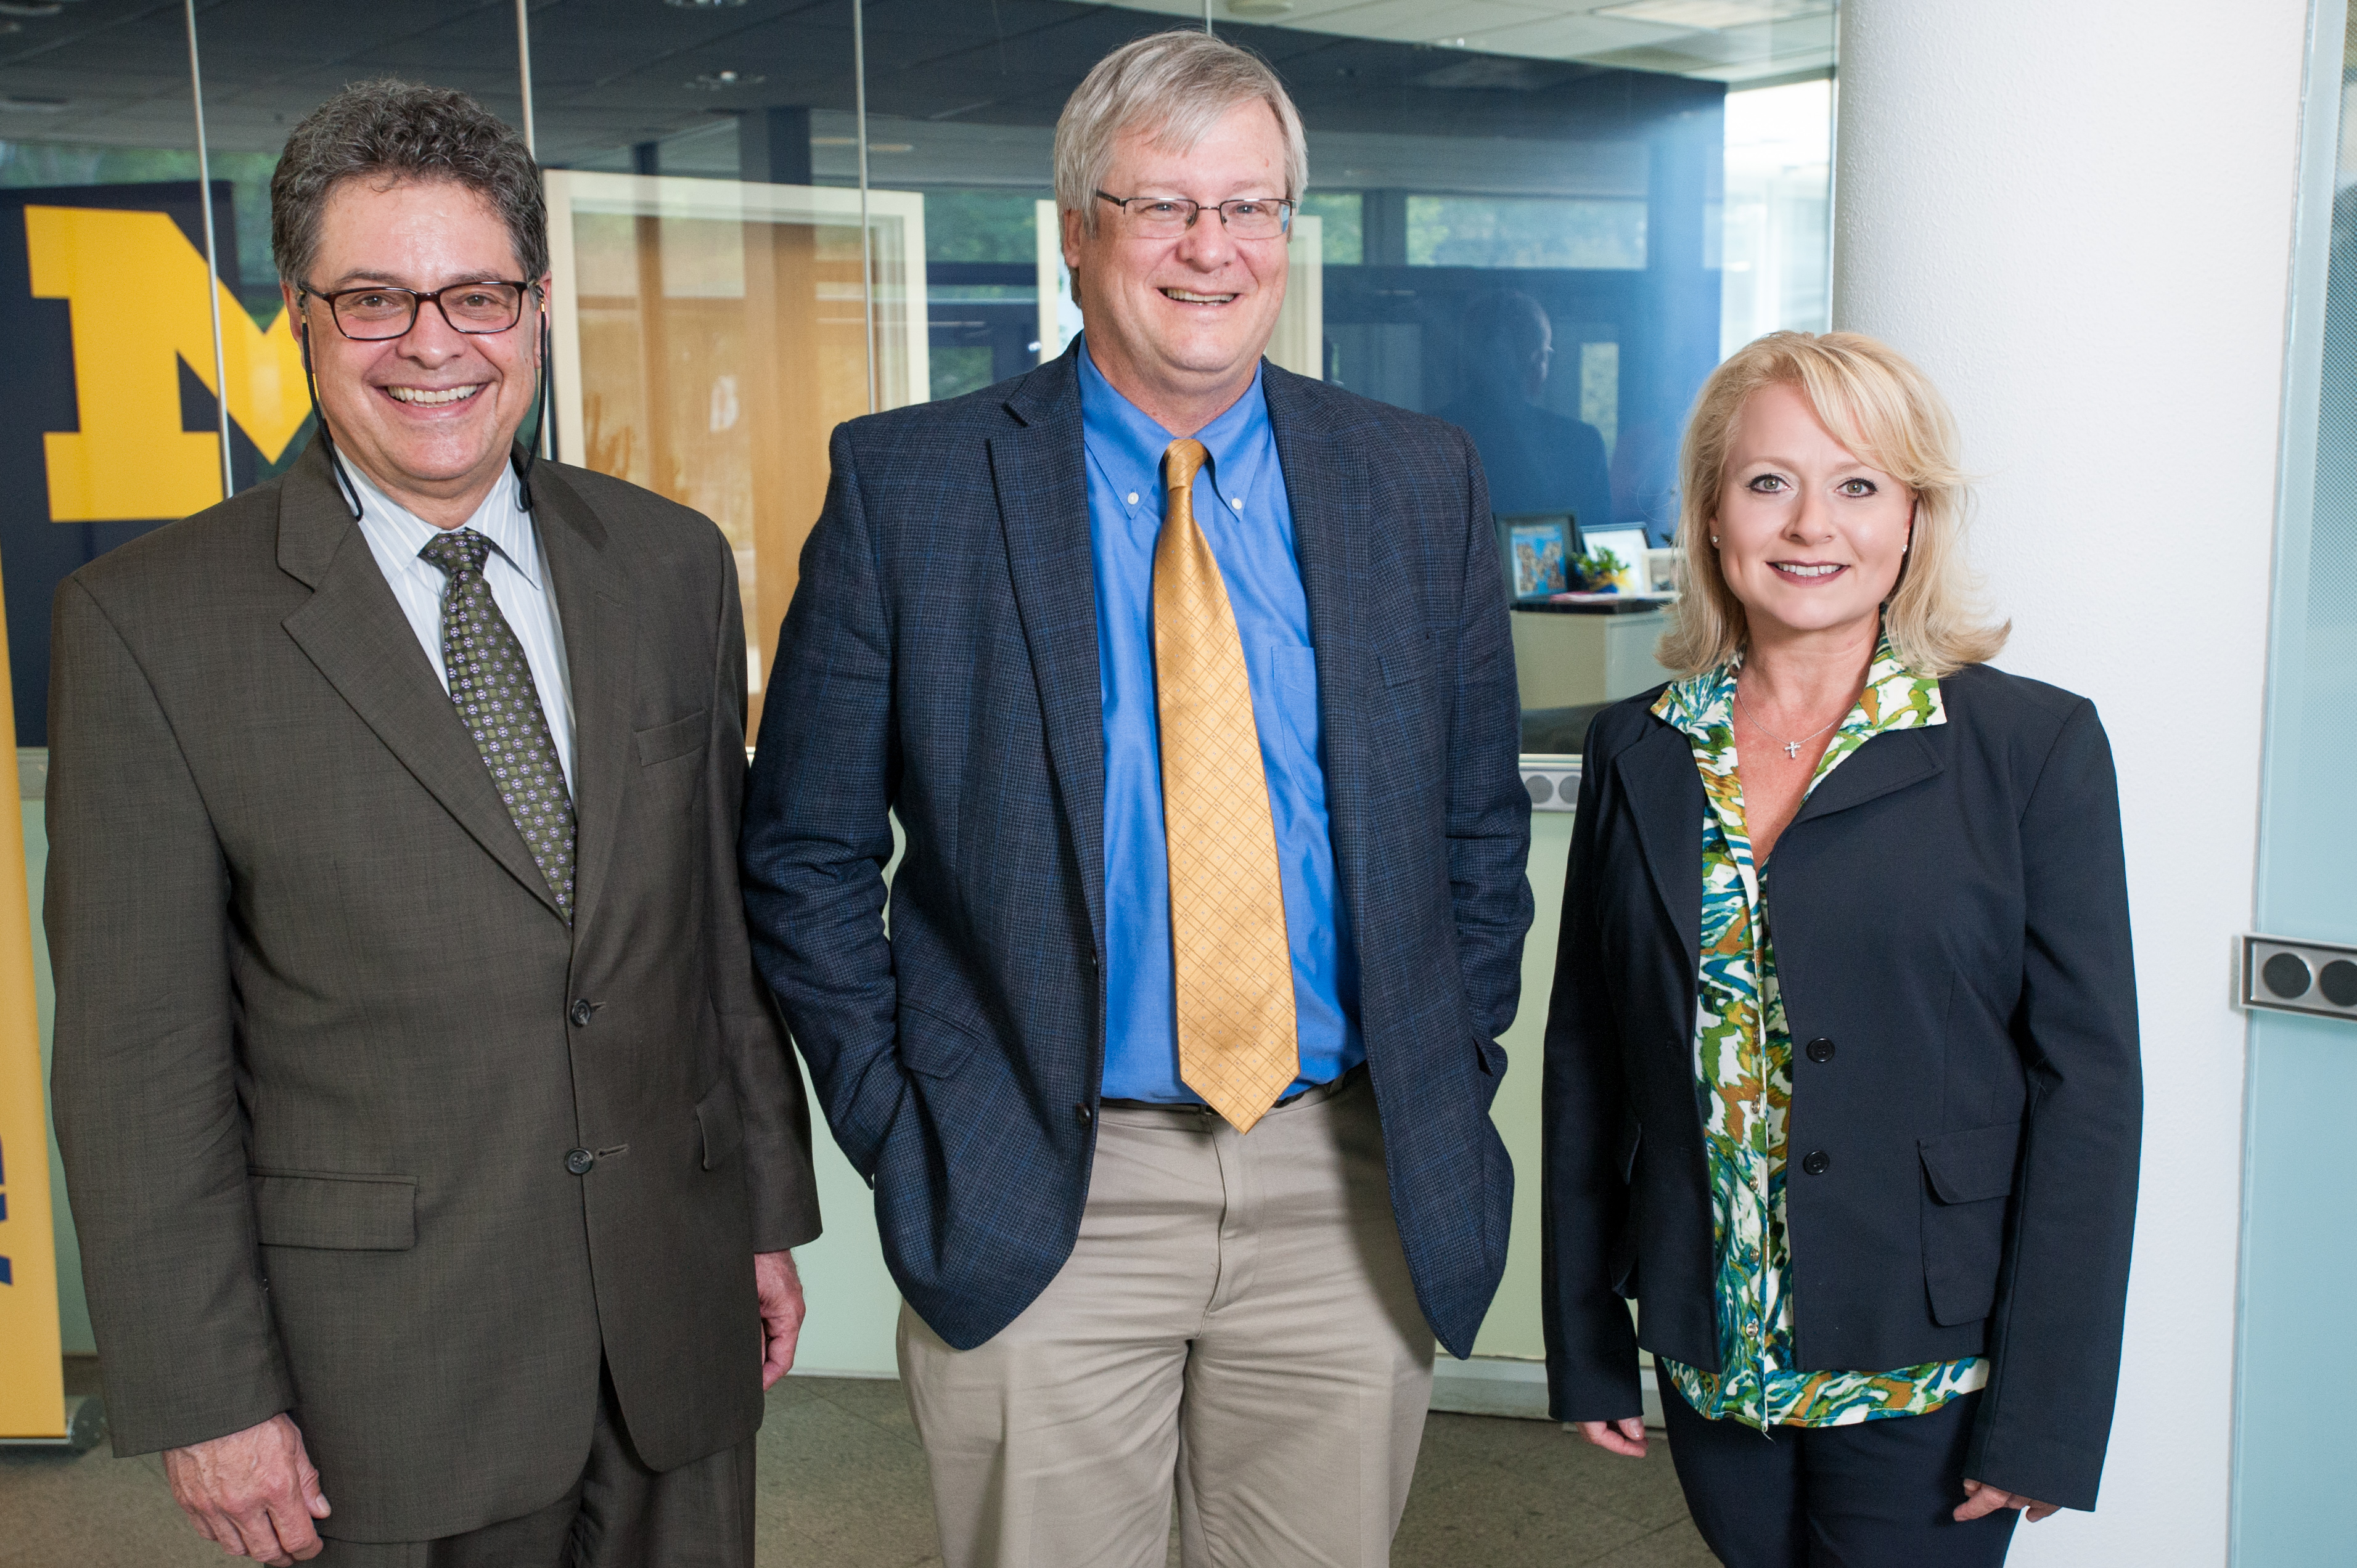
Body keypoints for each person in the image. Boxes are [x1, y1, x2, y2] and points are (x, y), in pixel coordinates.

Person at [741, 29, 1531, 1568]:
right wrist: (913, 1129)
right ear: (1075, 231)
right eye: (1163, 205)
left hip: (1341, 1186)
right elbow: (807, 853)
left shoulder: (1414, 477)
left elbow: (1472, 829)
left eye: (1250, 207)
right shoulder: (911, 486)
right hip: (1044, 1175)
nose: (1210, 249)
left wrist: (1450, 1055)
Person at [46, 80, 819, 1567]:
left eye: (475, 293)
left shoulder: (664, 566)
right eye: (376, 299)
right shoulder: (150, 625)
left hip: (670, 1320)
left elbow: (708, 934)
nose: (433, 343)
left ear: (535, 307)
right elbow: (140, 1064)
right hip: (379, 1380)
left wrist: (762, 1211)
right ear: (298, 316)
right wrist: (207, 1394)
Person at [1540, 330, 2141, 1566]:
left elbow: (2090, 1096)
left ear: (1913, 519)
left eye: (1859, 484)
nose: (1811, 523)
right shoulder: (1638, 750)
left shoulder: (2030, 751)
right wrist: (1588, 1336)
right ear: (1711, 513)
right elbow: (1589, 1061)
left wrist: (2047, 1415)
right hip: (1716, 1352)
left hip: (1933, 1363)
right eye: (1768, 482)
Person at [1438, 289, 1614, 540]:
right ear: (1538, 362)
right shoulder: (1580, 444)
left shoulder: (1417, 440)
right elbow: (1598, 555)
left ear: (1463, 361)